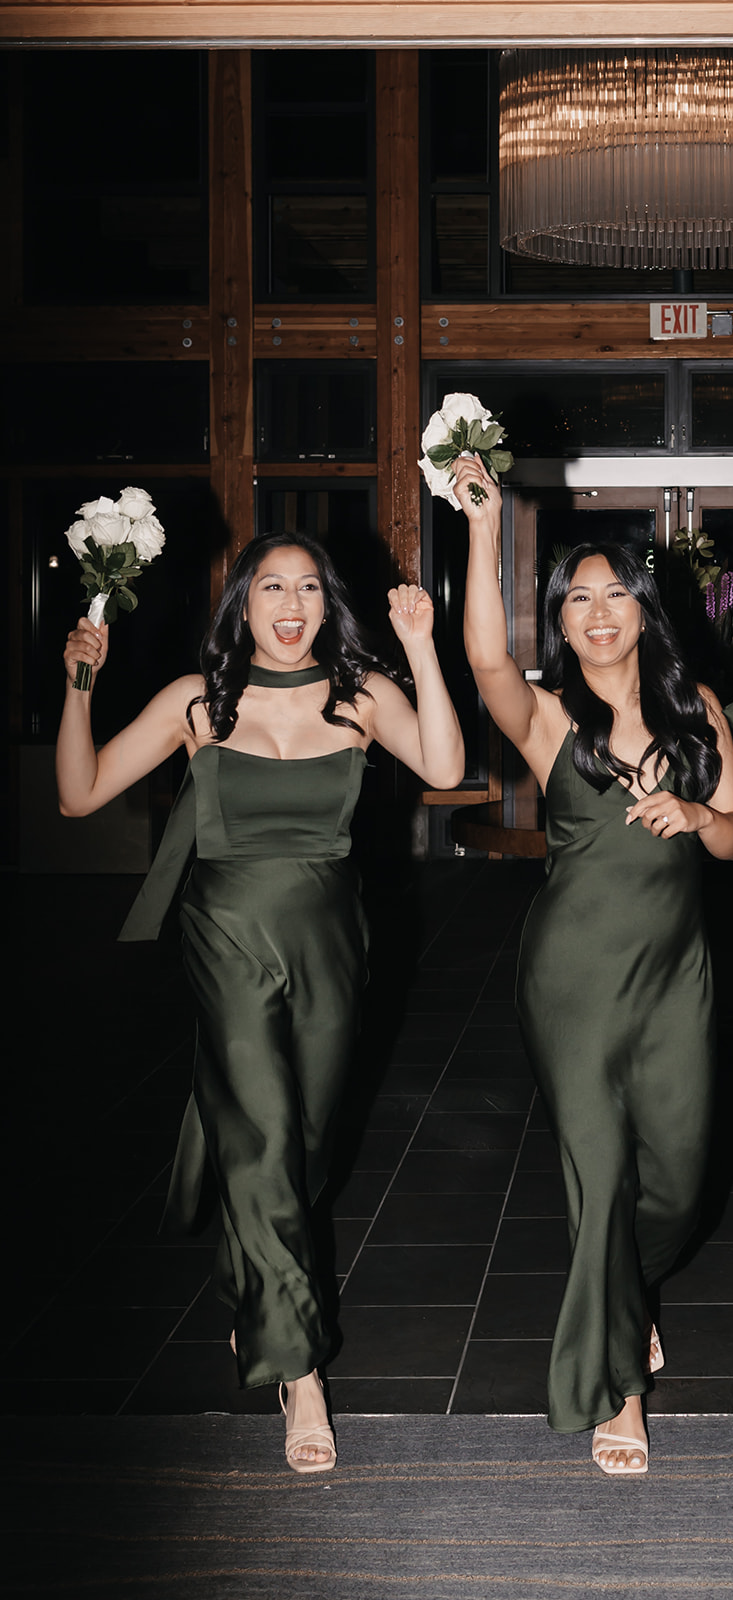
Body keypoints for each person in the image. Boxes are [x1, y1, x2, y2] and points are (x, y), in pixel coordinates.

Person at [57, 535, 464, 1472]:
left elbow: (442, 767)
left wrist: (422, 647)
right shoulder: (197, 701)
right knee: (267, 1133)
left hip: (331, 938)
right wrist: (81, 683)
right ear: (243, 603)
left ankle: (254, 1285)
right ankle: (297, 1367)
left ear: (328, 604)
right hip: (226, 932)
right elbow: (79, 796)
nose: (292, 603)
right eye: (272, 587)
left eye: (309, 588)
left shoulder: (361, 695)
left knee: (307, 1145)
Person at [455, 456, 733, 1476]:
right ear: (562, 620)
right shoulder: (546, 719)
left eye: (613, 592)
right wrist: (484, 526)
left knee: (674, 1177)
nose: (595, 611)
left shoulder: (698, 710)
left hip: (675, 977)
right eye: (575, 598)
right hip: (572, 974)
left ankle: (629, 1286)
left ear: (642, 608)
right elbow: (486, 662)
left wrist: (702, 811)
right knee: (599, 1170)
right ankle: (617, 1382)